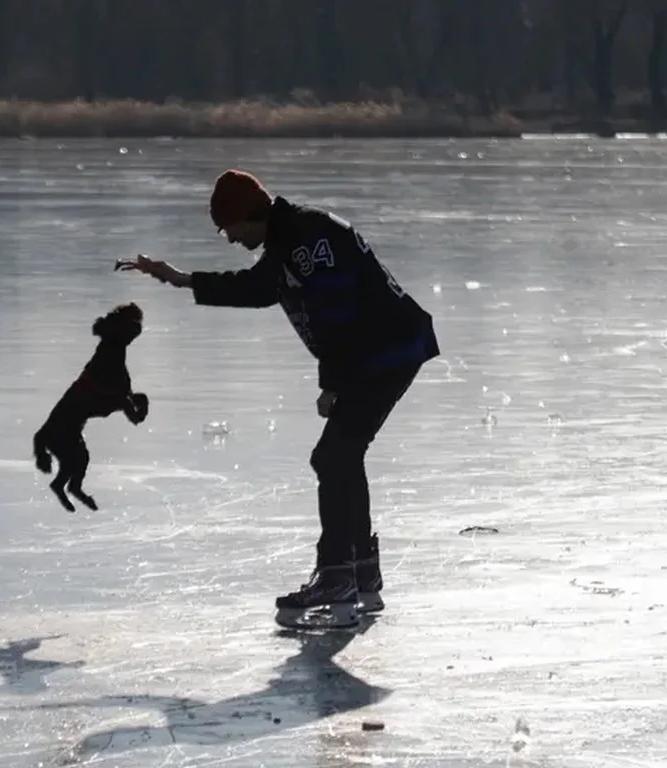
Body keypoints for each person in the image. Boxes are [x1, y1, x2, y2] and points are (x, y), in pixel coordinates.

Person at [115, 169, 440, 627]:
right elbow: (258, 289)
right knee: (341, 456)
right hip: (382, 350)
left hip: (388, 350)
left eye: (228, 228)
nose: (230, 239)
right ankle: (360, 574)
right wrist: (180, 279)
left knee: (334, 457)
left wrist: (333, 383)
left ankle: (338, 576)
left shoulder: (308, 239)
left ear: (249, 213)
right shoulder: (289, 239)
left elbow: (339, 313)